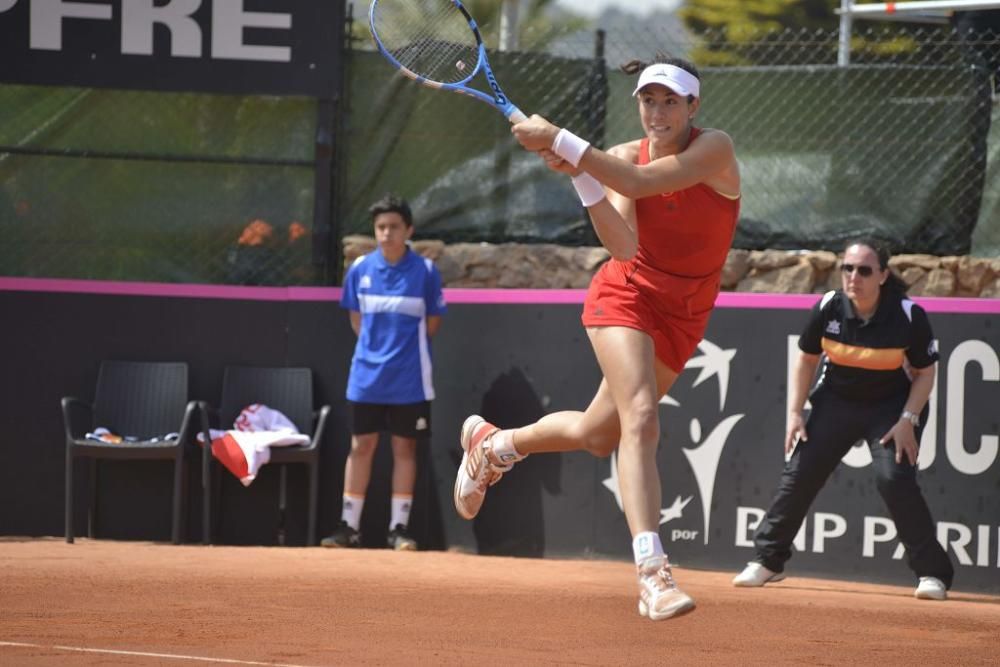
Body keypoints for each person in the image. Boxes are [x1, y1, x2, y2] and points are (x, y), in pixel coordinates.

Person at [452, 55, 741, 621]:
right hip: (626, 296)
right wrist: (584, 174)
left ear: (693, 107)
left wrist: (564, 142)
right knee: (640, 416)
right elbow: (624, 247)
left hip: (685, 313)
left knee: (595, 434)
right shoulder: (624, 156)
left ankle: (493, 446)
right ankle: (652, 575)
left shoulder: (716, 149)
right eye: (647, 100)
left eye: (670, 102)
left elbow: (637, 182)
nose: (657, 112)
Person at [732, 238, 954, 600]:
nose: (854, 277)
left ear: (882, 275)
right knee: (800, 472)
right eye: (847, 269)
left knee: (893, 479)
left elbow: (926, 373)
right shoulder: (828, 307)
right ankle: (767, 560)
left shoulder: (908, 315)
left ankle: (933, 574)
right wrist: (794, 413)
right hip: (837, 402)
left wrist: (907, 420)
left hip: (891, 407)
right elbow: (806, 359)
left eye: (864, 270)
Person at [321, 194, 446, 551]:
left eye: (393, 227)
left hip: (411, 379)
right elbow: (356, 319)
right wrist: (377, 351)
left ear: (409, 230)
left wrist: (402, 352)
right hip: (366, 378)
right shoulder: (360, 269)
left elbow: (432, 323)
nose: (386, 233)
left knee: (405, 448)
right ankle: (349, 526)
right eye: (380, 227)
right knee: (361, 446)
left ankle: (398, 529)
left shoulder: (425, 272)